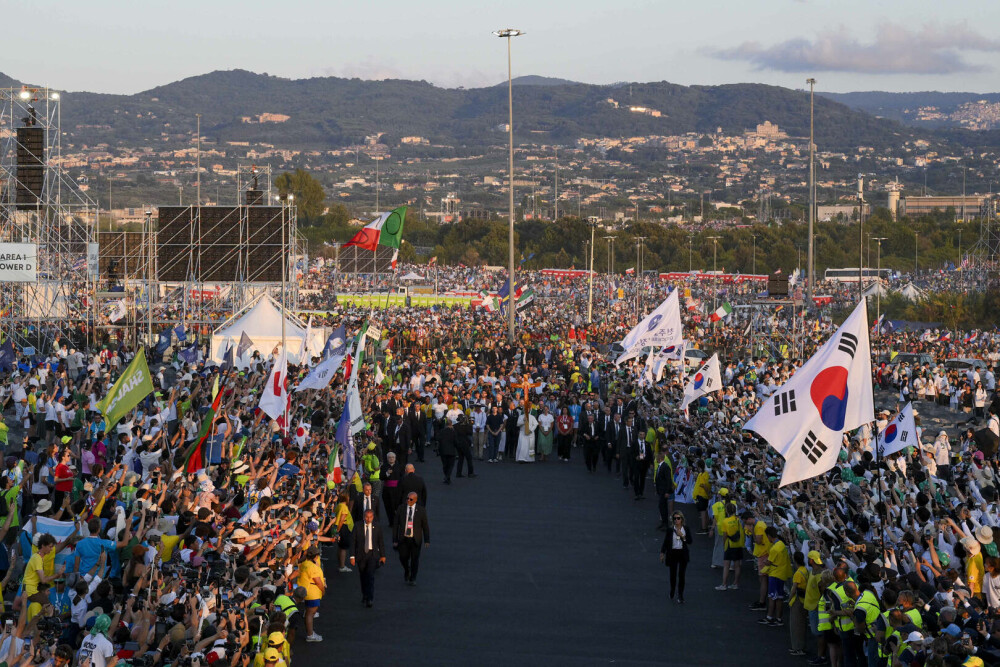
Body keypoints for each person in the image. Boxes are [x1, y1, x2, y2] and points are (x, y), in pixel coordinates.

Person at [393, 491, 430, 585]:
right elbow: (396, 525)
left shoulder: (421, 510)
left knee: (414, 559)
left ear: (415, 500)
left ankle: (413, 578)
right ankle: (407, 569)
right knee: (402, 557)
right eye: (407, 498)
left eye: (411, 499)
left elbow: (425, 526)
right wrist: (395, 539)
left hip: (415, 539)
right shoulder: (401, 508)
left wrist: (427, 540)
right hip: (404, 538)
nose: (408, 500)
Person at [351, 508, 386, 608]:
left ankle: (370, 598)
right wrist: (352, 556)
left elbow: (380, 542)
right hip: (361, 555)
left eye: (370, 517)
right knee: (363, 576)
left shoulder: (377, 526)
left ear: (373, 517)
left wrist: (383, 555)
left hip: (372, 555)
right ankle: (365, 594)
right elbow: (353, 541)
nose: (368, 519)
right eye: (366, 517)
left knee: (370, 575)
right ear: (363, 517)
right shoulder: (357, 526)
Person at [660, 511, 692, 603]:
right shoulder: (670, 530)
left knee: (681, 575)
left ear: (682, 519)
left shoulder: (686, 529)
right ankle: (672, 589)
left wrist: (682, 536)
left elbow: (690, 541)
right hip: (672, 553)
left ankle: (680, 595)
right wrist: (662, 552)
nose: (676, 520)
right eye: (675, 518)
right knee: (673, 574)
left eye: (678, 518)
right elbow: (666, 542)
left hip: (682, 553)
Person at [296, 545, 326, 642]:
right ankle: (310, 634)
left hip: (308, 592)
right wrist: (323, 590)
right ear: (316, 556)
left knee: (309, 613)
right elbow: (318, 582)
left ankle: (310, 632)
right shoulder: (312, 567)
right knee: (310, 614)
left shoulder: (305, 564)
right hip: (313, 594)